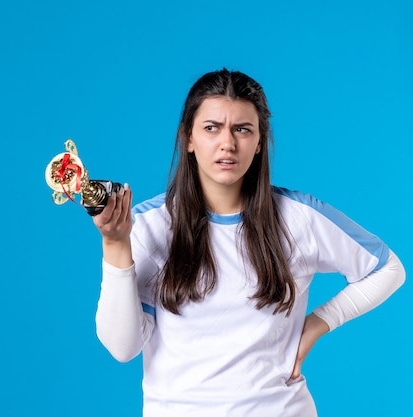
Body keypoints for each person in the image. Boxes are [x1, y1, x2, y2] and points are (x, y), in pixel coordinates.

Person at [92, 68, 406, 417]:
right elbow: (123, 347)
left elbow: (388, 269)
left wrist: (318, 324)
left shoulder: (298, 218)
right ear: (189, 138)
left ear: (259, 142)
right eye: (211, 128)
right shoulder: (149, 225)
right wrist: (116, 244)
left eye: (242, 129)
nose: (227, 143)